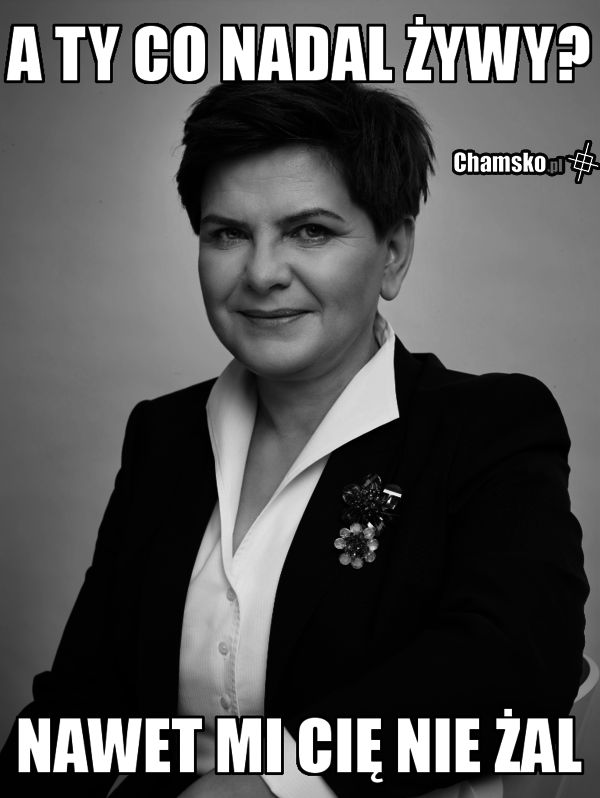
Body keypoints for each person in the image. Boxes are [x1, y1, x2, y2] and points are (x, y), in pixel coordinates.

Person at [0, 81, 589, 797]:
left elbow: (518, 660)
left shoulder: (488, 425)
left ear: (394, 253)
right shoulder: (163, 435)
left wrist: (268, 785)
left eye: (310, 231)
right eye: (227, 233)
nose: (261, 274)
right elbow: (80, 707)